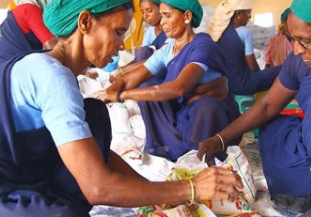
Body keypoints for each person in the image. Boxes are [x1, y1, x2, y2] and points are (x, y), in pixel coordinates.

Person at [0, 0, 244, 216]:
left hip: (27, 171)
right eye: (118, 33)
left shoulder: (53, 69)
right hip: (7, 185)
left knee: (94, 114)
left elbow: (96, 154)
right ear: (85, 22)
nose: (120, 46)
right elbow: (98, 187)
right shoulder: (53, 77)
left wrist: (161, 194)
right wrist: (191, 188)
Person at [199, 0, 311, 216]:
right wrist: (219, 138)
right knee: (274, 126)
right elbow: (268, 105)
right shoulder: (301, 62)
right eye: (293, 39)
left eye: (305, 41)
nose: (296, 50)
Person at [96, 0, 242, 162]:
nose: (162, 21)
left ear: (187, 16)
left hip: (208, 121)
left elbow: (179, 88)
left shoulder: (202, 45)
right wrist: (107, 93)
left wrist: (121, 95)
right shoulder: (168, 49)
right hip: (183, 115)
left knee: (205, 106)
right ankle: (172, 150)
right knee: (147, 88)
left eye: (167, 16)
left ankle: (201, 155)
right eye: (162, 16)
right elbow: (132, 78)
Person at [208, 0, 280, 95]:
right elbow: (252, 65)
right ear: (238, 14)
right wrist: (260, 75)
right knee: (282, 69)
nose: (249, 17)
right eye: (248, 13)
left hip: (223, 85)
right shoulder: (244, 32)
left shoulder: (217, 34)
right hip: (241, 85)